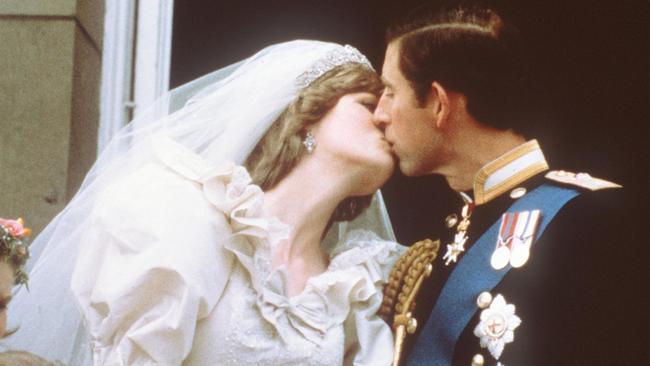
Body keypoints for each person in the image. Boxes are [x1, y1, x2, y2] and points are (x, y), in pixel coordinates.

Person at [6, 41, 404, 365]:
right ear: (306, 117)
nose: (386, 118)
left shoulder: (355, 283)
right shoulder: (187, 218)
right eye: (367, 105)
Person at [373, 3, 640, 366]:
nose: (380, 114)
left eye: (390, 92)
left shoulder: (592, 220)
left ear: (438, 103)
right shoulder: (443, 236)